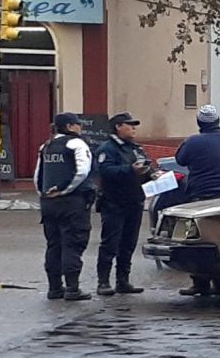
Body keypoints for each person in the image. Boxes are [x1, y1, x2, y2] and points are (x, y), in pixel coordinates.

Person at [173, 104, 220, 297]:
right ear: (218, 121)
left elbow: (180, 159)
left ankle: (200, 284)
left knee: (198, 242)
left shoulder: (194, 142)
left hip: (201, 198)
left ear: (199, 123)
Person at [37, 112, 97, 302]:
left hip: (48, 203)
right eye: (78, 124)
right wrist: (63, 190)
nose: (80, 127)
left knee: (53, 245)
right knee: (73, 243)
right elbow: (82, 172)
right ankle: (73, 288)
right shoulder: (76, 144)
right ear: (70, 127)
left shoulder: (46, 146)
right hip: (72, 202)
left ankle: (54, 288)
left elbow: (38, 175)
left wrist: (44, 193)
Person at [94, 111, 156, 296]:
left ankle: (123, 281)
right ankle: (103, 282)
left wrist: (152, 173)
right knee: (110, 243)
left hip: (134, 201)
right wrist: (130, 170)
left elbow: (145, 167)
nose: (134, 128)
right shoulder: (107, 149)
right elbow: (106, 171)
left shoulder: (135, 148)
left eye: (134, 125)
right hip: (114, 203)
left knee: (128, 243)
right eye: (129, 125)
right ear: (118, 127)